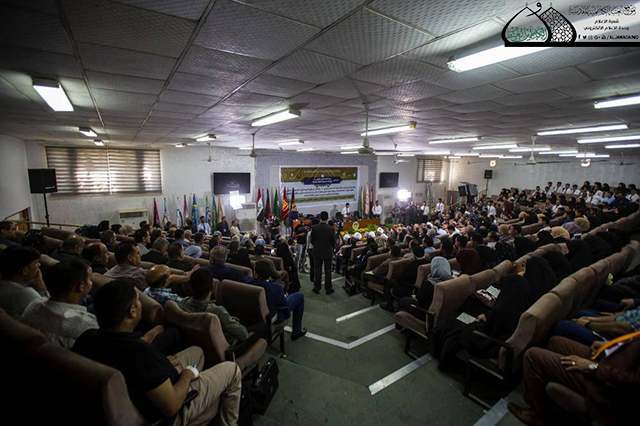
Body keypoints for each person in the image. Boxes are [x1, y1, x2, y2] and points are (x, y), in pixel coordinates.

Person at [73, 280, 242, 425]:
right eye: (138, 301)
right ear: (132, 311)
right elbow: (171, 406)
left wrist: (161, 362)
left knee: (197, 351)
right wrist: (187, 375)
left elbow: (136, 365)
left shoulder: (87, 338)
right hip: (166, 412)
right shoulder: (140, 354)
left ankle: (207, 403)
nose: (141, 304)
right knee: (232, 369)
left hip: (151, 385)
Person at [508, 333, 640, 426]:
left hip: (607, 388)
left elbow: (633, 380)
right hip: (611, 359)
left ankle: (538, 415)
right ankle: (549, 403)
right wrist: (611, 346)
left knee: (532, 356)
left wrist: (592, 368)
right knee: (555, 342)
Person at [180, 268, 267, 347]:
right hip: (228, 347)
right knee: (263, 326)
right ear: (212, 287)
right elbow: (244, 334)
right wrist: (230, 322)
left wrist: (227, 320)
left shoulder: (183, 302)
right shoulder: (218, 311)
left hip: (199, 343)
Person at [21, 259, 97, 348]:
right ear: (81, 286)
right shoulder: (89, 324)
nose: (91, 283)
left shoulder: (35, 304)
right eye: (89, 279)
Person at [251, 260, 307, 340]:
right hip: (271, 316)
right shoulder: (275, 288)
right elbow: (284, 304)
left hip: (253, 316)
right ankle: (297, 331)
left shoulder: (246, 282)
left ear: (256, 273)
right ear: (269, 274)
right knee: (299, 296)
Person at [0, 246, 48, 318]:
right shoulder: (23, 293)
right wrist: (41, 288)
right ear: (25, 270)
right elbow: (50, 313)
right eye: (36, 262)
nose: (39, 265)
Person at [380, 245, 429, 311]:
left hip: (409, 287)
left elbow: (403, 279)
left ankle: (389, 305)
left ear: (414, 255)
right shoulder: (428, 263)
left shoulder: (411, 266)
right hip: (420, 288)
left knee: (390, 281)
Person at [310, 211, 337, 295]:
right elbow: (334, 242)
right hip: (328, 252)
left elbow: (312, 241)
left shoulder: (314, 228)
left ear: (320, 218)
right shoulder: (331, 228)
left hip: (317, 251)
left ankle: (316, 288)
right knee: (328, 271)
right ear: (327, 218)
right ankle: (328, 288)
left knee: (317, 270)